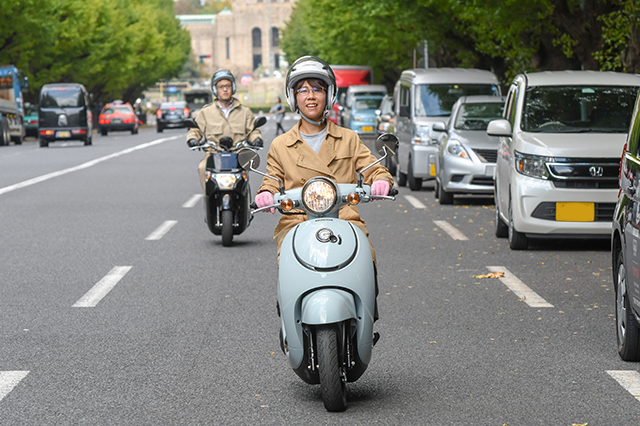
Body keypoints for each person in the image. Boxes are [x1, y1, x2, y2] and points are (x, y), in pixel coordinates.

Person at [254, 56, 393, 319]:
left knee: (367, 258)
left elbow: (373, 167)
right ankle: (289, 317)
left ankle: (365, 314)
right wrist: (265, 194)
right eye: (302, 89)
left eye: (317, 88)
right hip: (296, 223)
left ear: (328, 95)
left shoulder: (348, 139)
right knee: (287, 271)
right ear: (292, 97)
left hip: (344, 219)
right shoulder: (280, 145)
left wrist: (381, 180)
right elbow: (272, 178)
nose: (310, 96)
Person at [186, 68, 263, 190]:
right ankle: (209, 196)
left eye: (227, 85)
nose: (225, 89)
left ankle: (244, 198)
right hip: (214, 153)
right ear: (215, 89)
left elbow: (253, 130)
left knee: (245, 174)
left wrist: (257, 139)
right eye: (221, 86)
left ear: (233, 87)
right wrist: (192, 139)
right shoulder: (206, 111)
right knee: (202, 167)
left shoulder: (244, 111)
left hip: (238, 154)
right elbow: (195, 130)